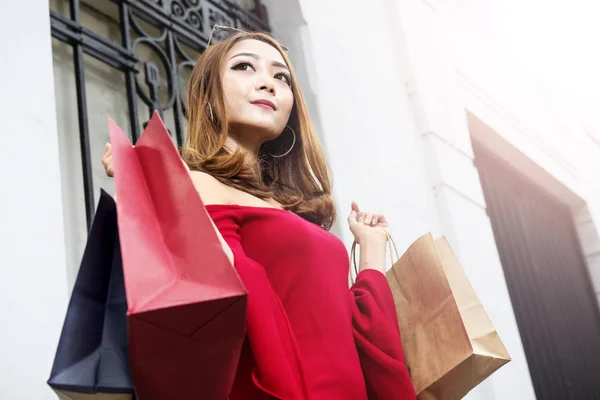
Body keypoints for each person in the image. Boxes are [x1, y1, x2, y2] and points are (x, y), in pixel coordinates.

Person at [101, 28, 415, 400]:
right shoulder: (199, 185)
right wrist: (156, 188)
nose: (267, 83)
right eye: (244, 67)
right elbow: (239, 292)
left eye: (280, 76)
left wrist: (371, 249)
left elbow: (358, 331)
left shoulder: (298, 215)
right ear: (211, 97)